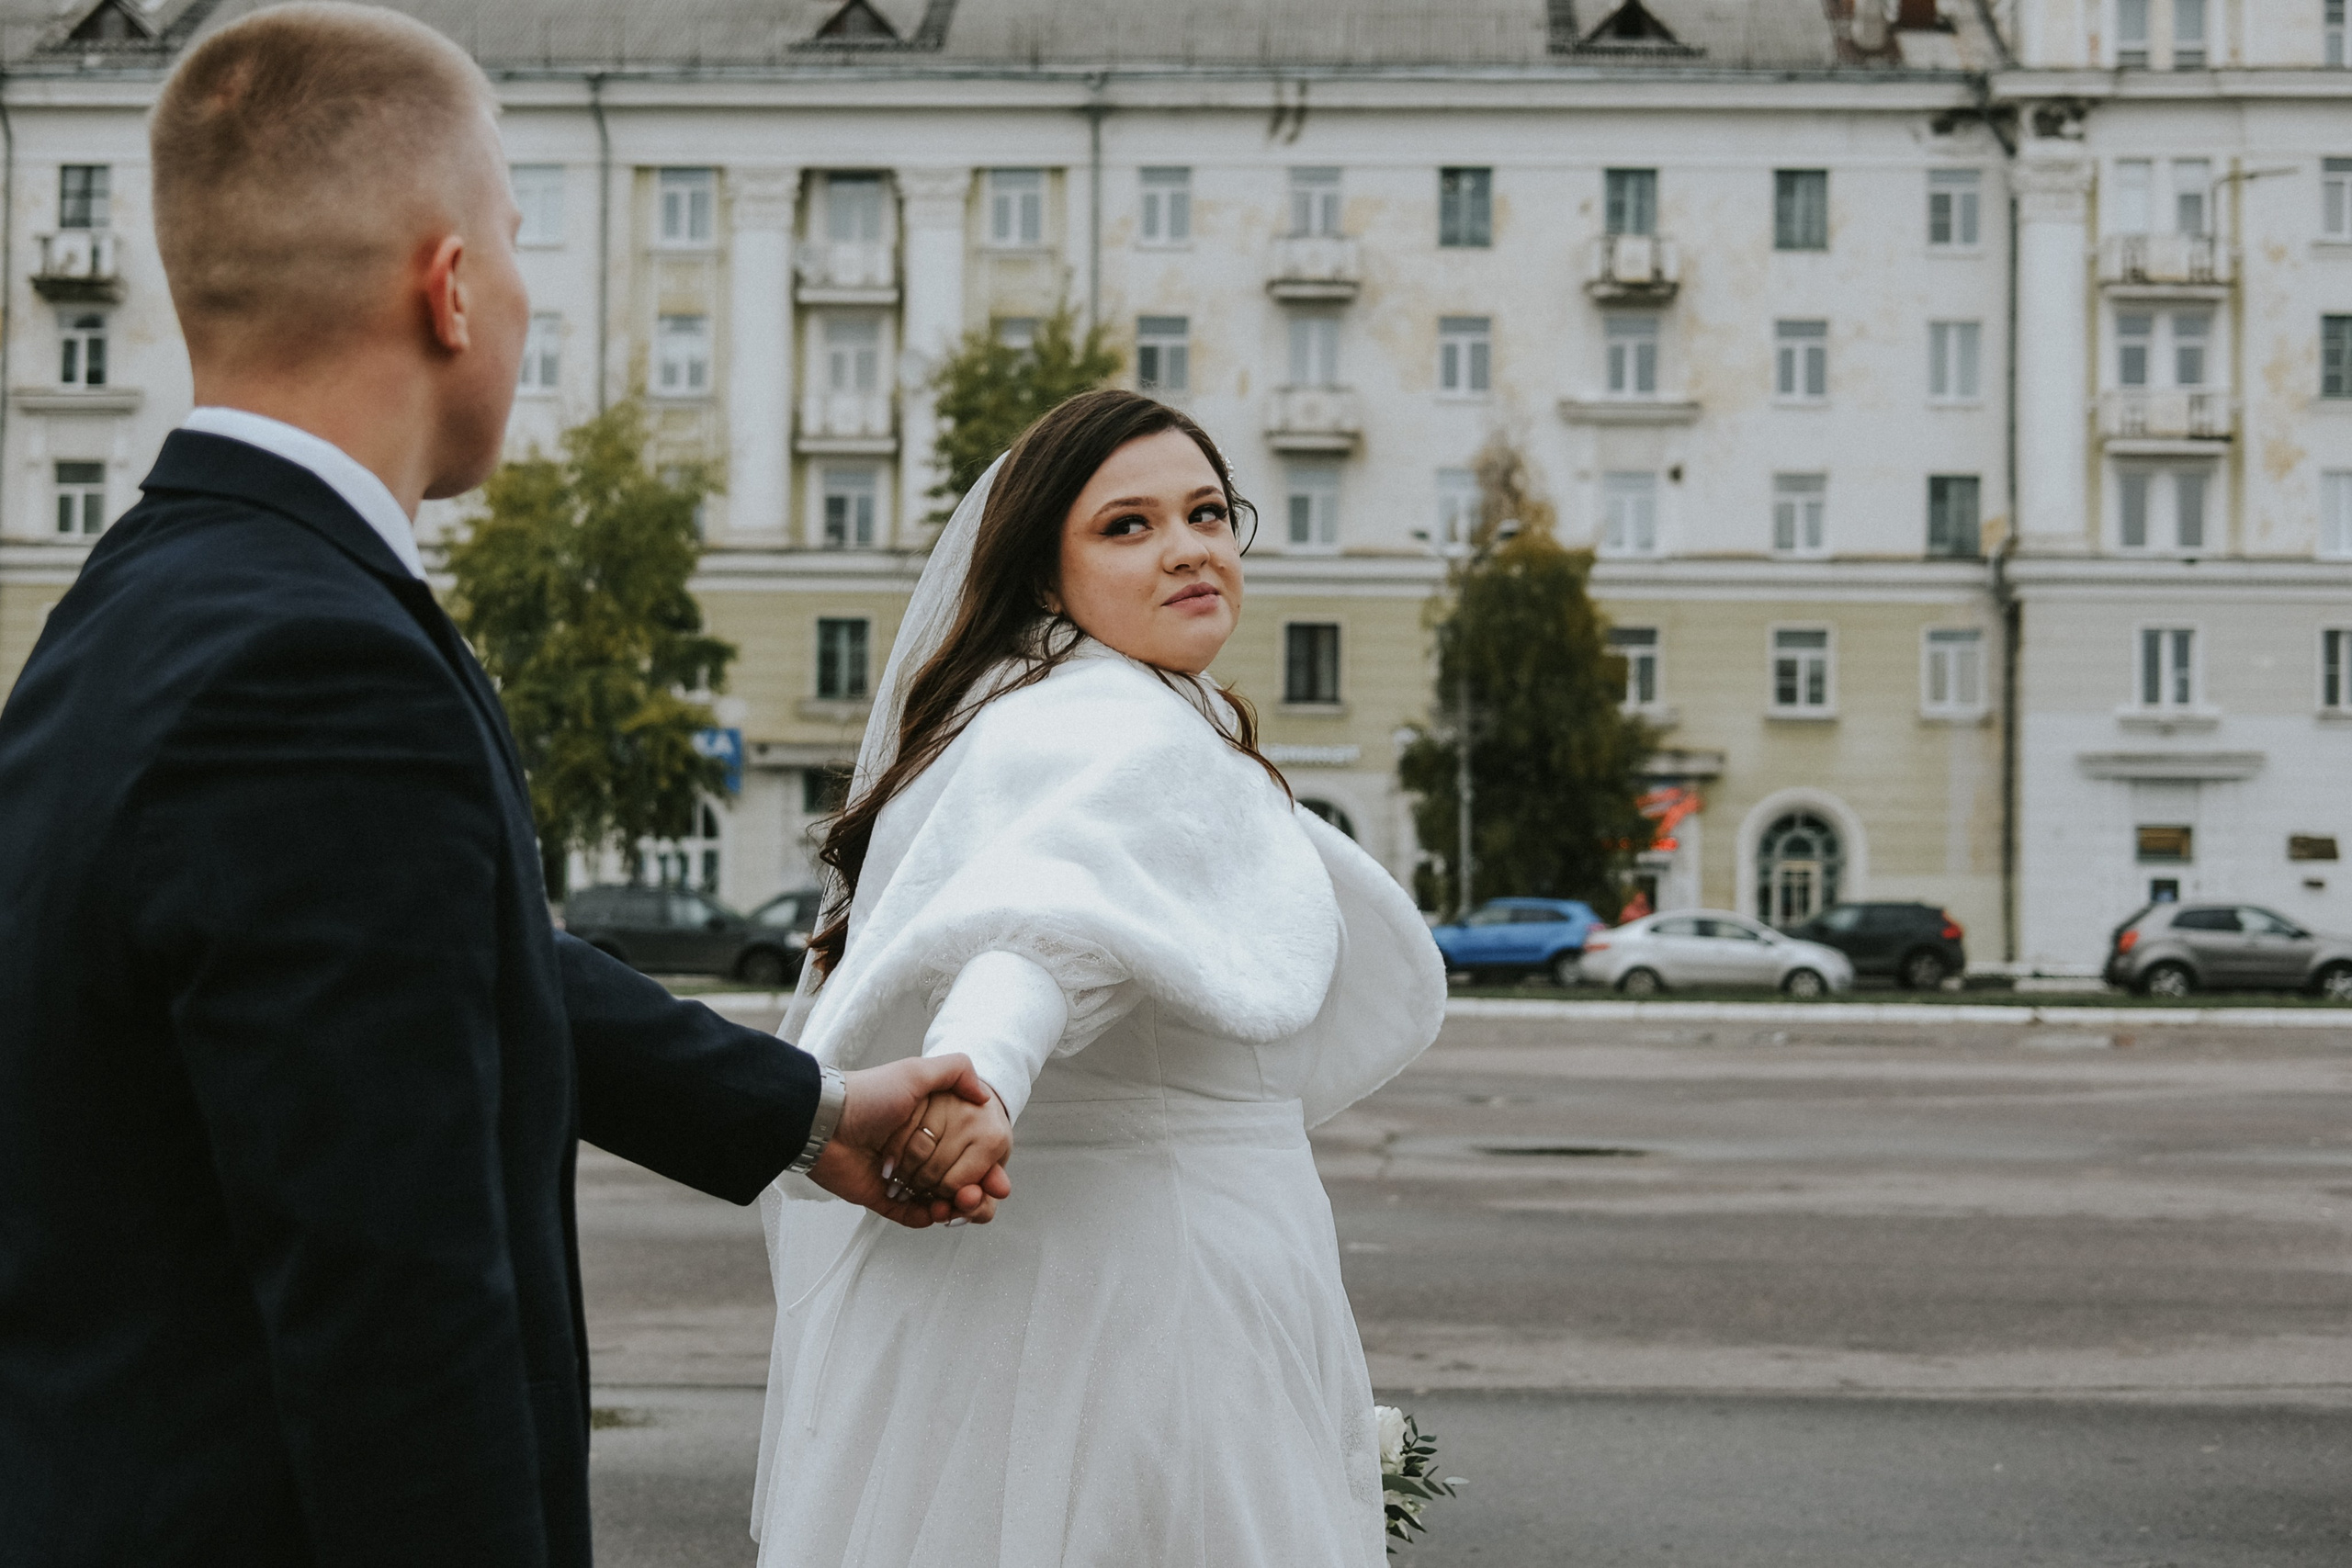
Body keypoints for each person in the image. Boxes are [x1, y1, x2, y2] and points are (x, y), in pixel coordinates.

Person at [0, 8, 1006, 1565]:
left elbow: (428, 956)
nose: (527, 299)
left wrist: (806, 1109)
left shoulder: (142, 600)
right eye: (519, 245)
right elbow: (393, 1309)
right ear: (451, 286)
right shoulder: (315, 664)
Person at [751, 389, 1449, 1566]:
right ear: (1041, 574)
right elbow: (1040, 930)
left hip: (1036, 1289)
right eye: (1127, 526)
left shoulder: (1034, 712)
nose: (1188, 548)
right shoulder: (1112, 725)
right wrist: (984, 1078)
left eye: (1209, 513)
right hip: (1143, 1296)